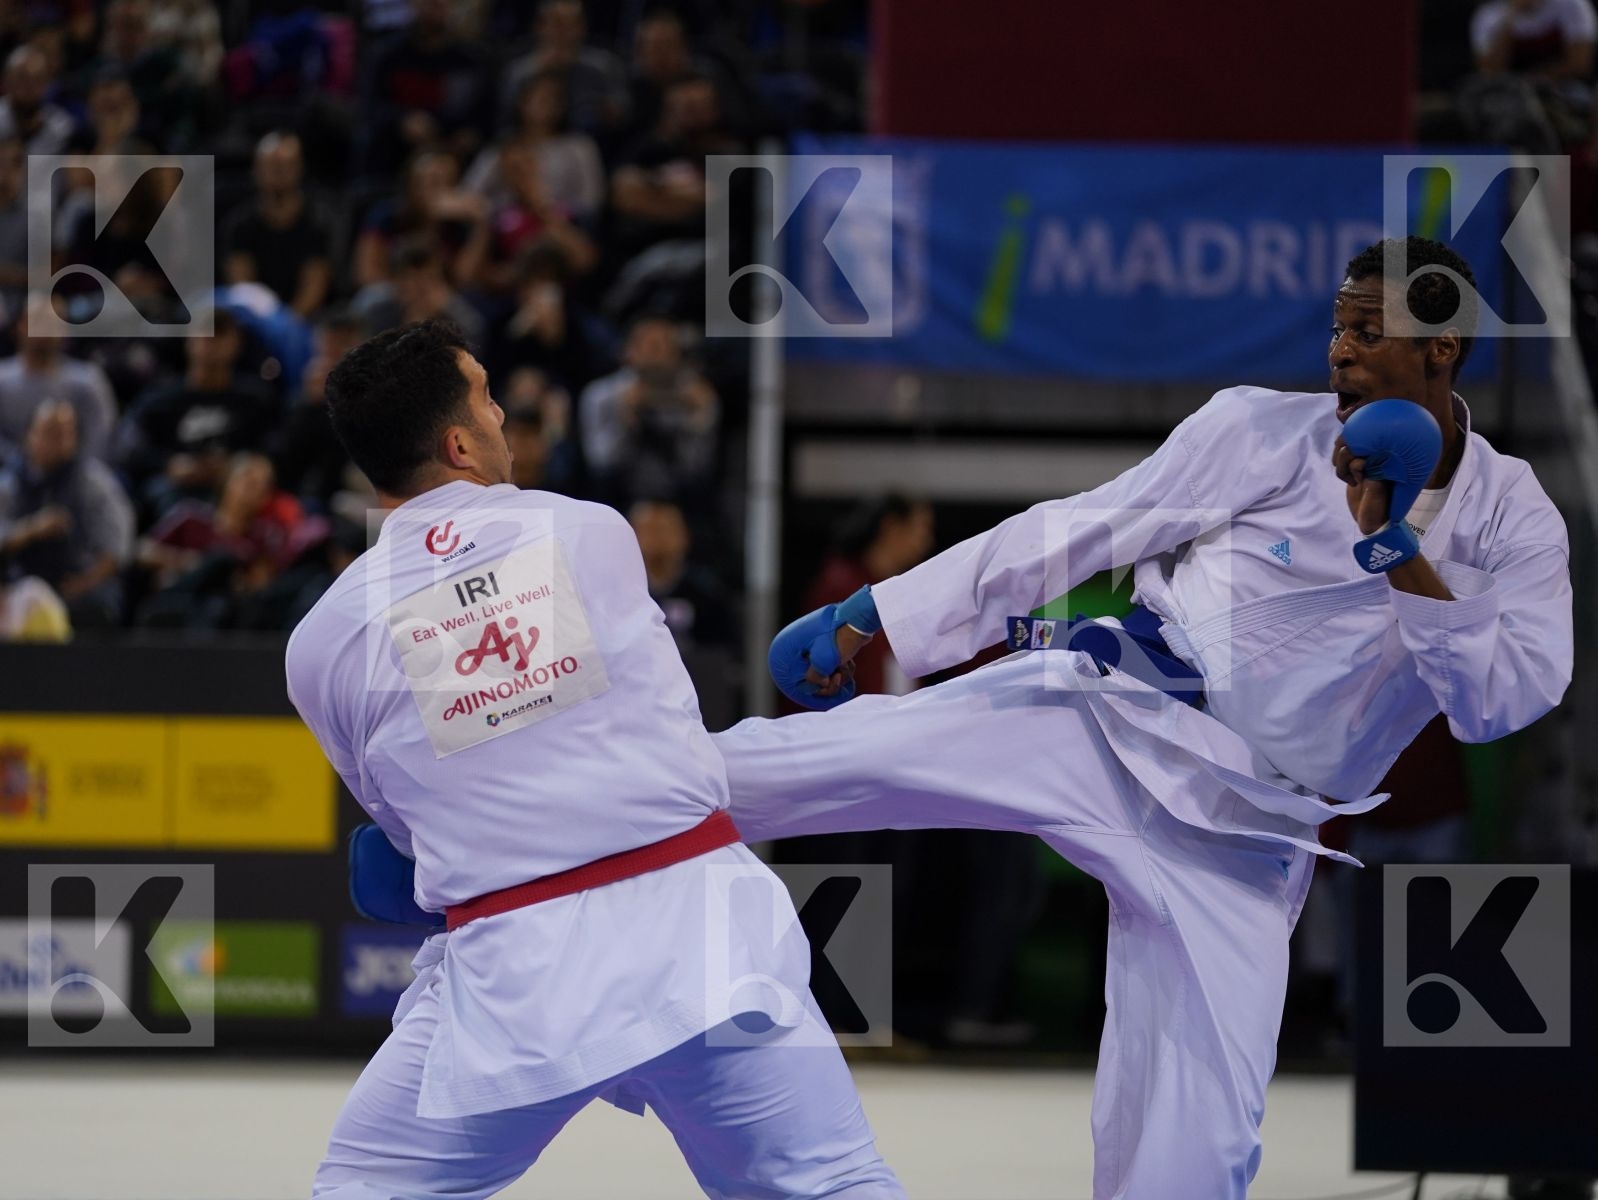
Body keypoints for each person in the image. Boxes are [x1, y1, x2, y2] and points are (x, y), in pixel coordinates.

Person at [714, 236, 1574, 1199]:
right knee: (823, 762)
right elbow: (1080, 526)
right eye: (1337, 327)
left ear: (1441, 346)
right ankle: (596, 795)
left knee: (1198, 1150)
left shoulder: (1514, 516)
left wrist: (1395, 547)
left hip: (1247, 838)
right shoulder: (1258, 429)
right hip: (1110, 720)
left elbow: (1499, 702)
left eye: (1368, 332)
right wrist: (879, 610)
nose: (1339, 351)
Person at [286, 320, 903, 1199]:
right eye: (488, 399)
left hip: (516, 976)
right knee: (835, 1183)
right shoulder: (588, 531)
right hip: (700, 936)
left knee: (361, 1185)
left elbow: (402, 828)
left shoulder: (321, 643)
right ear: (459, 444)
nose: (504, 417)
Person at [0, 401, 134, 628]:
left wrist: (85, 583)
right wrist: (31, 530)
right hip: (17, 587)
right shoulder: (8, 484)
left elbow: (117, 549)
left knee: (101, 607)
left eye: (65, 434)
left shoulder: (94, 482)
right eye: (50, 433)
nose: (57, 442)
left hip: (77, 585)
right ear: (29, 436)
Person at [222, 132, 334, 319]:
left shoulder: (319, 222)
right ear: (256, 170)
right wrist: (266, 324)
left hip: (307, 320)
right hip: (255, 319)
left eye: (285, 165)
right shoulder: (239, 224)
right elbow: (242, 286)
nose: (278, 172)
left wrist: (286, 325)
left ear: (300, 168)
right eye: (271, 166)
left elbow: (315, 286)